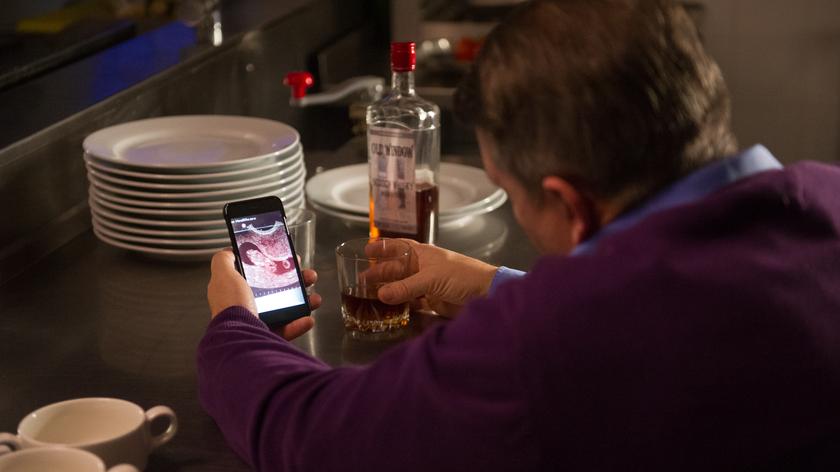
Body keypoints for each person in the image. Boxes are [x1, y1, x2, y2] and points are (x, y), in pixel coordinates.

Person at [197, 0, 840, 470]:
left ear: (569, 203)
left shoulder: (547, 349)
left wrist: (234, 325)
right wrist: (492, 285)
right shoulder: (827, 197)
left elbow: (313, 438)